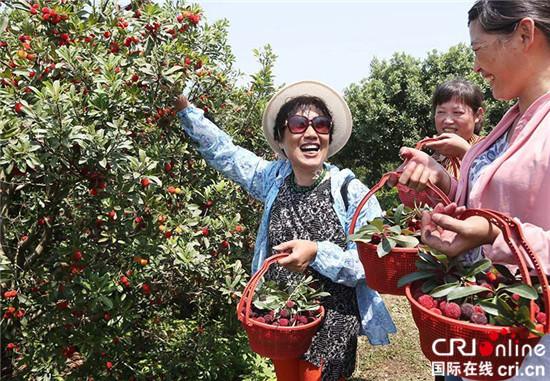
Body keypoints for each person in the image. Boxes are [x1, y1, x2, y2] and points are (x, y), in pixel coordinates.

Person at [175, 80, 396, 381]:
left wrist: (317, 252)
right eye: (297, 124)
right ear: (280, 139)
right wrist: (185, 110)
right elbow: (225, 154)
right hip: (282, 319)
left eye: (320, 124)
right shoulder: (272, 179)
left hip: (332, 325)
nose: (310, 133)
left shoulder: (351, 192)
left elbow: (373, 264)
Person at [391, 0, 550, 379]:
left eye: (478, 49)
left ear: (525, 34)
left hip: (527, 341)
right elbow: (481, 200)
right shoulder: (510, 122)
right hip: (475, 319)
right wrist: (442, 182)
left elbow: (499, 225)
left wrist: (497, 234)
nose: (476, 67)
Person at [426, 78, 485, 179]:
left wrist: (465, 152)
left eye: (457, 112)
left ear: (477, 116)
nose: (448, 121)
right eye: (441, 112)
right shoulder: (432, 160)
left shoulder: (491, 149)